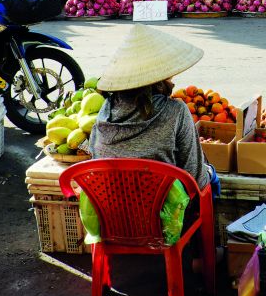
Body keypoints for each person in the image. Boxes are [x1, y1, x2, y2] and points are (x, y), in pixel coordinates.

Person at [88, 25, 213, 192]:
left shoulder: (106, 109)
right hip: (162, 214)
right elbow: (195, 178)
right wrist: (210, 173)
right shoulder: (176, 111)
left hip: (112, 210)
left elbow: (94, 154)